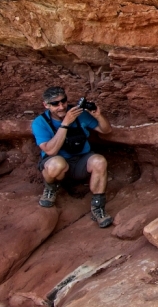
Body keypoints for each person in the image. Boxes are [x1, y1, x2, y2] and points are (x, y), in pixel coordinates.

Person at [32, 86, 114, 227]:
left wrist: (98, 116)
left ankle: (97, 207)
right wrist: (65, 124)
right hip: (57, 163)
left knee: (99, 161)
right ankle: (51, 188)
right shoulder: (40, 123)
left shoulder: (78, 113)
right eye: (55, 104)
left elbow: (106, 130)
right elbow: (50, 150)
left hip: (81, 160)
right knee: (56, 164)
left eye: (63, 101)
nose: (61, 106)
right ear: (46, 105)